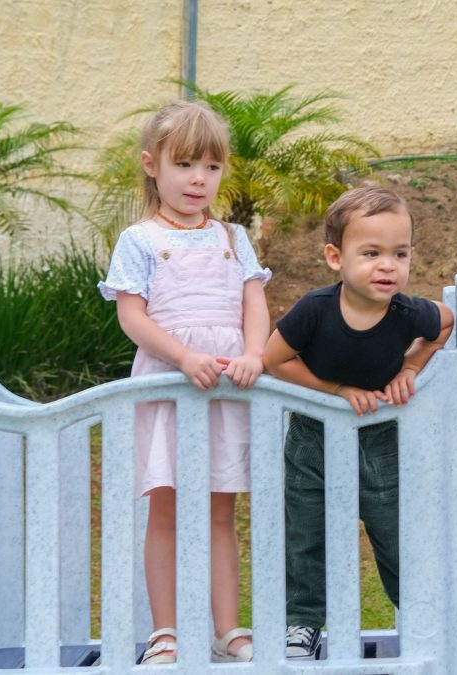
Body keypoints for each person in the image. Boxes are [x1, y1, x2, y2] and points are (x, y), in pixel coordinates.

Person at [98, 100, 270, 664]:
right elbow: (133, 316)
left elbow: (253, 302)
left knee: (222, 509)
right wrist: (184, 356)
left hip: (227, 384)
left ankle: (227, 629)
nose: (200, 179)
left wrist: (251, 354)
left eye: (212, 167)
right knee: (165, 505)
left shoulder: (232, 236)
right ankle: (165, 631)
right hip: (172, 381)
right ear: (153, 165)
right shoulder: (141, 238)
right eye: (185, 165)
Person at [262, 185, 455, 659]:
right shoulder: (316, 309)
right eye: (371, 253)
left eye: (400, 253)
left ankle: (418, 615)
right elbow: (274, 358)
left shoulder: (409, 313)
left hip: (379, 438)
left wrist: (410, 368)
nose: (388, 265)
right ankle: (302, 625)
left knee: (393, 528)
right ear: (336, 257)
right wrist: (336, 392)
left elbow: (446, 323)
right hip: (313, 434)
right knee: (306, 531)